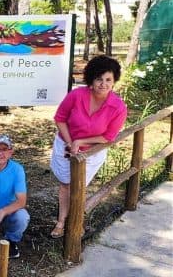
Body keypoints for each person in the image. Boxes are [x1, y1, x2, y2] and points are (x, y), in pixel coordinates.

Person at [49, 55, 127, 238]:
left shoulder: (118, 107)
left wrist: (80, 142)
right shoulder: (76, 95)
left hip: (93, 150)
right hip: (65, 144)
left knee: (79, 186)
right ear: (91, 78)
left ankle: (76, 222)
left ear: (114, 81)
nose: (103, 84)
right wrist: (70, 142)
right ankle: (61, 222)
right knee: (65, 185)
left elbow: (108, 136)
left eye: (108, 79)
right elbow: (60, 119)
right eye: (99, 79)